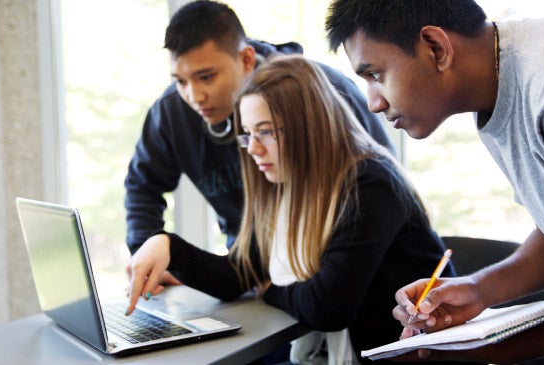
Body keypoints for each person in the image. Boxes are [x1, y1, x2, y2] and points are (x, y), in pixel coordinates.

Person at [125, 55, 459, 365]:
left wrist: (271, 290)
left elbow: (327, 307)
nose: (253, 149)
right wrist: (168, 246)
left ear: (309, 128)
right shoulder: (287, 185)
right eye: (248, 135)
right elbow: (238, 275)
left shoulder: (370, 184)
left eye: (266, 132)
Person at [325, 0, 544, 363]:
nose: (373, 102)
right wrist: (477, 290)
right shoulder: (498, 89)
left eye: (375, 75)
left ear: (435, 47)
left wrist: (480, 348)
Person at [123, 0, 395, 275]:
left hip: (330, 267)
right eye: (181, 81)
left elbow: (382, 181)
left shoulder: (322, 93)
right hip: (248, 267)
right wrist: (149, 257)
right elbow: (141, 186)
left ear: (246, 59)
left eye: (206, 77)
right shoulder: (172, 111)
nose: (195, 97)